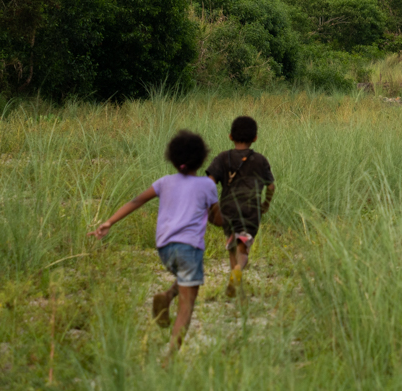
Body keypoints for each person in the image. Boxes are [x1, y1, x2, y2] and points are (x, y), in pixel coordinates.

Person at [90, 130, 220, 352]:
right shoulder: (207, 185)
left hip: (164, 249)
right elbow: (216, 219)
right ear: (202, 158)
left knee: (185, 277)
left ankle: (167, 295)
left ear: (173, 158)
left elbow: (136, 201)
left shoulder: (164, 182)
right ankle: (170, 357)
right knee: (187, 306)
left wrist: (109, 222)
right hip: (189, 248)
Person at [206, 115, 275, 299]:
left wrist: (210, 205)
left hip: (228, 210)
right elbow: (270, 187)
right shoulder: (260, 160)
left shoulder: (222, 158)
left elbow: (209, 183)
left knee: (232, 246)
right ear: (255, 138)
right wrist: (265, 204)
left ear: (230, 136)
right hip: (251, 212)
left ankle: (235, 280)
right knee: (243, 249)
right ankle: (237, 272)